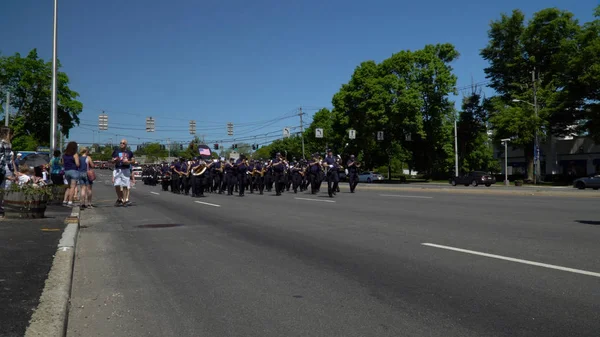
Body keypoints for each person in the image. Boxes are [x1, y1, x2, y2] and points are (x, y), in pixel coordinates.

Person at [111, 139, 135, 207]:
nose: (122, 144)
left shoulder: (129, 152)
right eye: (121, 143)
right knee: (117, 185)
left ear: (126, 145)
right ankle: (120, 198)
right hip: (118, 169)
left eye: (123, 143)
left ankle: (124, 200)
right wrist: (115, 160)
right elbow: (112, 161)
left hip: (126, 169)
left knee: (125, 185)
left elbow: (133, 161)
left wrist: (128, 162)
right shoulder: (116, 151)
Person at [62, 141, 80, 207]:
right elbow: (77, 164)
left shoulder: (64, 155)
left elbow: (63, 163)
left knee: (68, 187)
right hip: (74, 171)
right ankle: (70, 202)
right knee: (72, 187)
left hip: (66, 171)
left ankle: (64, 201)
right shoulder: (75, 155)